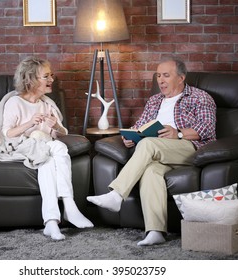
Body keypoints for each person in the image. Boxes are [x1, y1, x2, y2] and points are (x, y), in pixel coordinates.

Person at [87, 56, 217, 246]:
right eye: (158, 76)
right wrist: (130, 136)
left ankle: (116, 194)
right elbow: (140, 125)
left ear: (181, 78)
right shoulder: (155, 100)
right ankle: (155, 231)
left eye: (166, 75)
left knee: (148, 144)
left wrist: (178, 133)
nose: (160, 81)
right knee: (150, 171)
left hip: (188, 148)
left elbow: (207, 129)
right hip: (158, 152)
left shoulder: (200, 97)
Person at [0, 56, 93, 241]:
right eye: (46, 76)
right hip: (21, 146)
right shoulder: (15, 102)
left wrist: (56, 126)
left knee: (48, 161)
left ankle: (51, 222)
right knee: (58, 148)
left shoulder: (46, 104)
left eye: (51, 75)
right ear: (31, 79)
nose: (52, 80)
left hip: (41, 149)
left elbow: (61, 132)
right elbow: (8, 134)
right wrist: (29, 123)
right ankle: (69, 205)